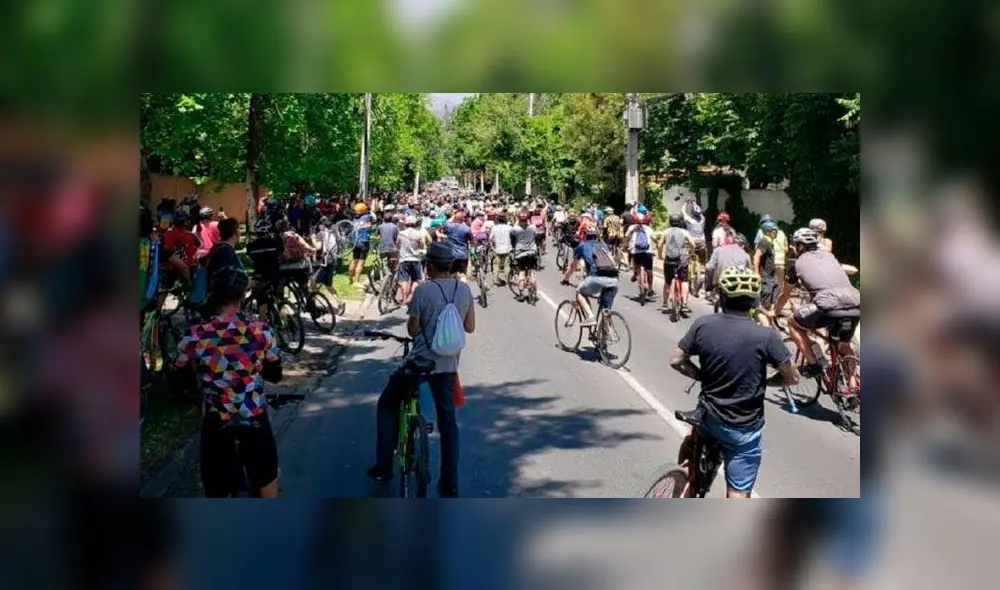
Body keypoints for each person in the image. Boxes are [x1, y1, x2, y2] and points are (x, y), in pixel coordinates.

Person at [669, 266, 799, 498]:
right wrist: (768, 382)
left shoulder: (704, 324)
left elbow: (677, 360)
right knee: (738, 494)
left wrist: (699, 375)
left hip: (709, 416)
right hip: (744, 427)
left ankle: (686, 479)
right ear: (754, 300)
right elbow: (791, 378)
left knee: (692, 441)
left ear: (721, 295)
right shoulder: (767, 336)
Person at [366, 242, 475, 498]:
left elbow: (413, 330)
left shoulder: (424, 291)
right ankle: (450, 482)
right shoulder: (464, 290)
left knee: (387, 403)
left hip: (419, 363)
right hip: (448, 366)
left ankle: (384, 465)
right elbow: (470, 327)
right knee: (448, 423)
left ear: (431, 266)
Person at [174, 268, 283, 498]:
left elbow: (180, 376)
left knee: (216, 489)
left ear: (212, 296)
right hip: (253, 416)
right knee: (266, 480)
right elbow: (274, 375)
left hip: (215, 420)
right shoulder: (261, 332)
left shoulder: (193, 336)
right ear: (242, 297)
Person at [772, 228, 861, 380]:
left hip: (827, 305)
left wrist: (774, 311)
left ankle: (814, 364)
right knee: (844, 345)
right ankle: (853, 387)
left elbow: (785, 294)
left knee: (792, 322)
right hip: (856, 303)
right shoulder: (830, 257)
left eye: (794, 245)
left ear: (799, 246)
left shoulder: (796, 264)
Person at [560, 224, 619, 326]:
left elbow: (573, 266)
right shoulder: (604, 245)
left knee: (579, 292)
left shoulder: (582, 246)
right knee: (606, 310)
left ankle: (590, 317)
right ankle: (605, 333)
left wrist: (566, 279)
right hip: (614, 280)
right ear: (597, 235)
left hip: (596, 278)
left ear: (585, 235)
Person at [245, 220, 284, 322]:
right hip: (275, 275)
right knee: (278, 297)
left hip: (260, 276)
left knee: (262, 300)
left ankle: (263, 323)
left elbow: (250, 259)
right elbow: (282, 255)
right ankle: (283, 316)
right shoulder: (275, 243)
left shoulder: (251, 246)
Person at [659, 213, 694, 312]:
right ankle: (684, 304)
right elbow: (693, 244)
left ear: (670, 222)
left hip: (669, 260)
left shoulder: (665, 232)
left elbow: (660, 244)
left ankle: (665, 304)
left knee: (667, 282)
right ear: (680, 222)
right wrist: (691, 253)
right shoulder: (684, 232)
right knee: (684, 281)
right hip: (681, 261)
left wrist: (660, 255)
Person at [754, 220, 781, 324]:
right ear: (767, 231)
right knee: (764, 303)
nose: (776, 233)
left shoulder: (770, 242)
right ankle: (762, 324)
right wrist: (756, 272)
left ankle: (770, 323)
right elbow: (756, 256)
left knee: (771, 302)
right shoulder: (764, 242)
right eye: (774, 231)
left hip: (771, 277)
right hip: (765, 277)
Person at [396, 215, 427, 304]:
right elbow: (421, 246)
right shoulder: (418, 234)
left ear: (406, 224)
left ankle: (404, 300)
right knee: (417, 279)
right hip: (415, 259)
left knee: (404, 280)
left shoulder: (401, 233)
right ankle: (412, 296)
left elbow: (397, 245)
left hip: (404, 259)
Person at [204, 217, 242, 289]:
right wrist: (248, 283)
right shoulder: (225, 252)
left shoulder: (218, 247)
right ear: (235, 233)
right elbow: (229, 279)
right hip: (223, 296)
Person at [625, 210, 655, 299]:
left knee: (637, 266)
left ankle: (635, 274)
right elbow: (654, 238)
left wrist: (626, 245)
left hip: (636, 251)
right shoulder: (649, 229)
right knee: (649, 270)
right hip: (648, 252)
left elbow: (627, 237)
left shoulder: (631, 228)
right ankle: (650, 288)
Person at [511, 209, 540, 300]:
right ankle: (533, 290)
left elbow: (512, 239)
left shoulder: (515, 229)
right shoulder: (532, 227)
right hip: (532, 251)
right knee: (531, 271)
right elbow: (536, 236)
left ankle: (521, 294)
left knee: (522, 272)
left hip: (520, 253)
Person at [442, 210, 473, 282]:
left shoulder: (449, 226)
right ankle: (463, 288)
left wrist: (454, 215)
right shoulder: (466, 228)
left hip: (452, 254)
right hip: (463, 254)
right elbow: (471, 239)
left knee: (451, 274)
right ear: (463, 219)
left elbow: (445, 224)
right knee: (462, 274)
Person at [349, 202, 375, 286]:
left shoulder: (354, 219)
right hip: (364, 242)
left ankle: (350, 279)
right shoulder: (367, 217)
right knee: (361, 263)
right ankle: (356, 282)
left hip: (355, 242)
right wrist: (369, 210)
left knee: (354, 260)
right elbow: (374, 218)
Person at [680, 199, 707, 266]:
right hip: (701, 242)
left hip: (692, 241)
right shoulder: (703, 219)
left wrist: (686, 202)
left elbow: (682, 211)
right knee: (703, 256)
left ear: (692, 213)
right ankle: (703, 264)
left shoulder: (689, 220)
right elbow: (698, 210)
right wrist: (694, 203)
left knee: (684, 251)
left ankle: (686, 263)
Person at [489, 213, 514, 286]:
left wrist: (492, 246)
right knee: (507, 266)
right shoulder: (509, 228)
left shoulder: (494, 228)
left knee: (496, 266)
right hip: (507, 249)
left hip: (497, 250)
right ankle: (507, 282)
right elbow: (513, 237)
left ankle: (495, 282)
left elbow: (490, 238)